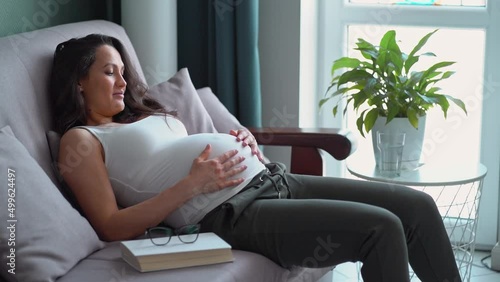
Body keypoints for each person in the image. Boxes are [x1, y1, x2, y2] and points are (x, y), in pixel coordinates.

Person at [50, 34, 461, 282]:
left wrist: (241, 141)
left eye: (123, 70)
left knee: (417, 206)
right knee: (381, 228)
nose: (123, 81)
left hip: (274, 179)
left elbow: (182, 154)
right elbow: (109, 225)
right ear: (80, 83)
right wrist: (189, 186)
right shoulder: (81, 140)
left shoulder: (136, 116)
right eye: (109, 72)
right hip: (232, 214)